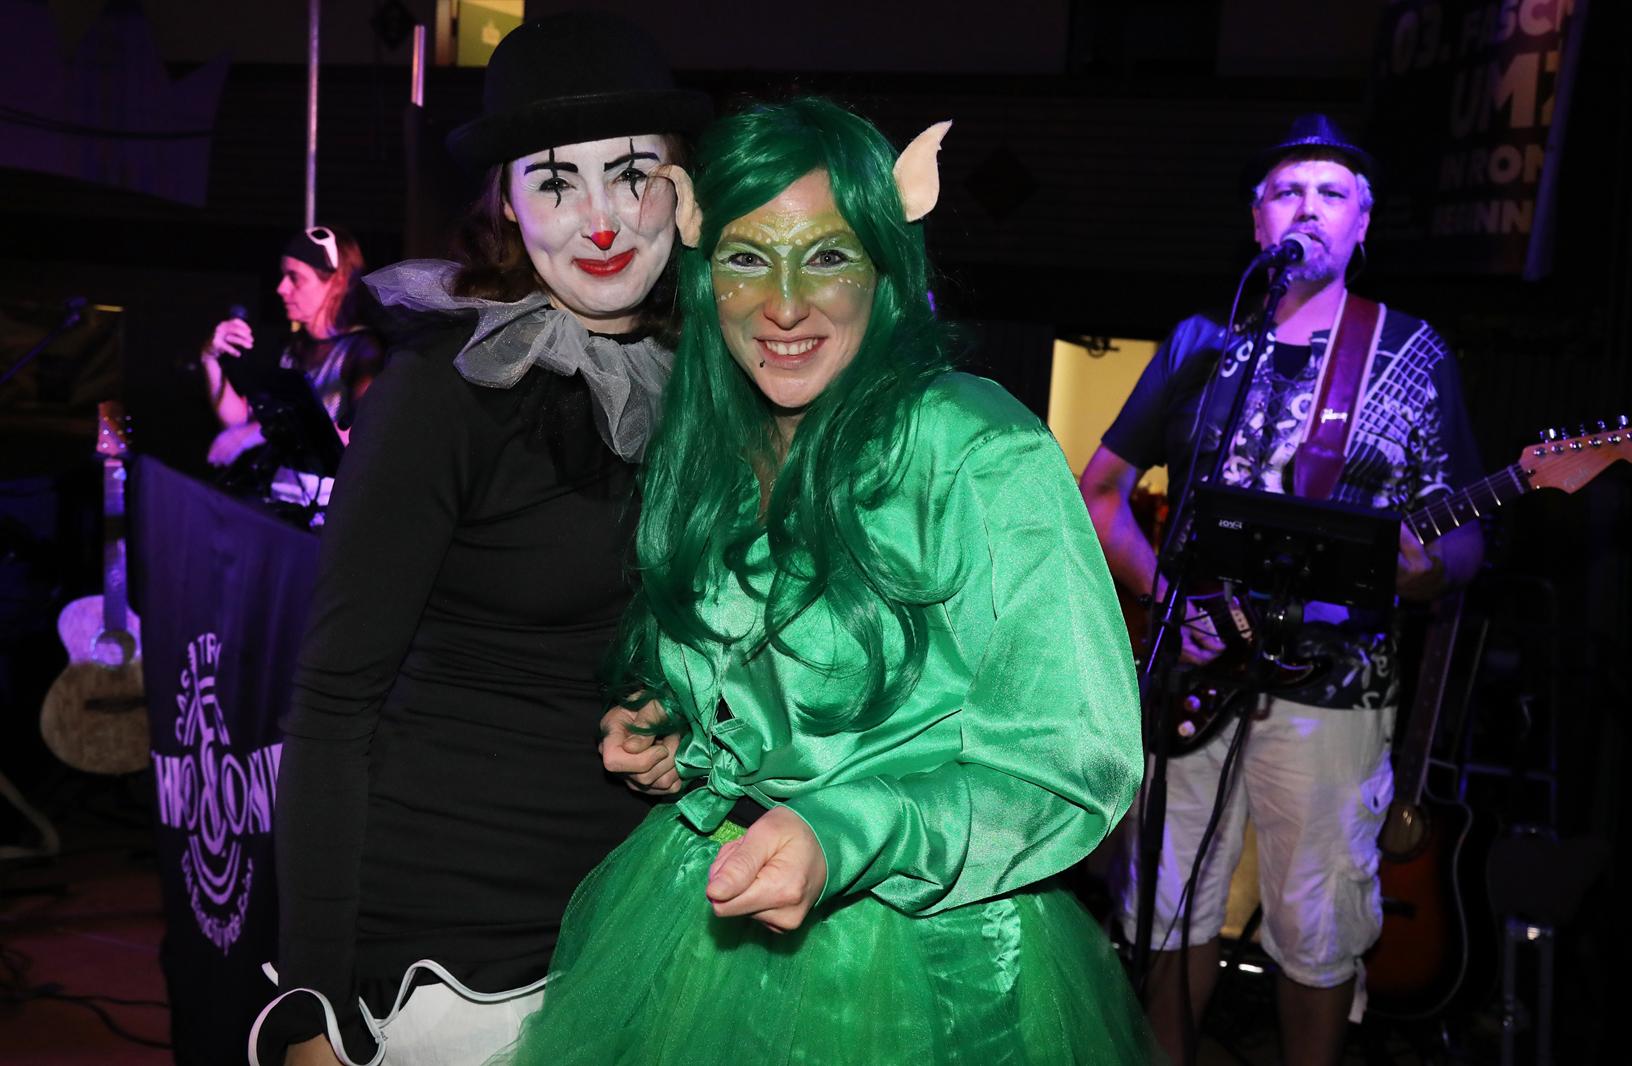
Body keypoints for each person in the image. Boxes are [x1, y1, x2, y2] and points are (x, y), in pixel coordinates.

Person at [497, 97, 1153, 1066]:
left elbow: (1075, 754)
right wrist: (684, 730)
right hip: (705, 913)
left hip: (924, 970)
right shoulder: (710, 441)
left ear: (885, 266)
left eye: (828, 255)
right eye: (747, 258)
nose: (785, 304)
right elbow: (768, 687)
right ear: (703, 269)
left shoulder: (973, 447)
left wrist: (848, 830)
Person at [247, 12, 709, 1066]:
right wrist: (313, 1005)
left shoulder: (719, 382)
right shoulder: (443, 391)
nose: (601, 220)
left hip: (641, 924)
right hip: (459, 955)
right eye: (555, 181)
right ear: (505, 201)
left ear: (682, 188)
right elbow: (333, 702)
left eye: (631, 173)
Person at [1078, 114, 1485, 1066]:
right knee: (1167, 911)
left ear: (1362, 224)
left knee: (1318, 922)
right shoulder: (1198, 344)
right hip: (1190, 680)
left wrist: (1426, 569)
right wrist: (1171, 603)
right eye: (1287, 192)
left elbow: (1466, 538)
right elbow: (1099, 494)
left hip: (1333, 691)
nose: (1309, 208)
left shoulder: (1408, 353)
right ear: (1257, 221)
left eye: (1332, 194)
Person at [202, 224, 384, 468]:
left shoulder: (363, 350)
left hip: (327, 490)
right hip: (283, 486)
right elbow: (239, 423)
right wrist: (210, 359)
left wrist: (256, 434)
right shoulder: (292, 348)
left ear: (336, 282)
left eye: (295, 278)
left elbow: (360, 432)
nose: (281, 288)